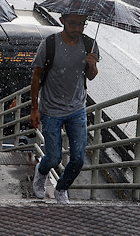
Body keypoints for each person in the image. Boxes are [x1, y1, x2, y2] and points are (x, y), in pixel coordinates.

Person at [30, 13, 99, 204]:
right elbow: (36, 76)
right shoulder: (49, 44)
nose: (77, 28)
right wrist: (34, 108)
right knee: (53, 158)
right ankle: (41, 172)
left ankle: (61, 188)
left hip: (77, 108)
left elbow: (91, 76)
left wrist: (92, 65)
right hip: (51, 109)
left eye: (81, 25)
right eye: (72, 24)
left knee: (78, 159)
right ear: (62, 21)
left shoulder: (89, 45)